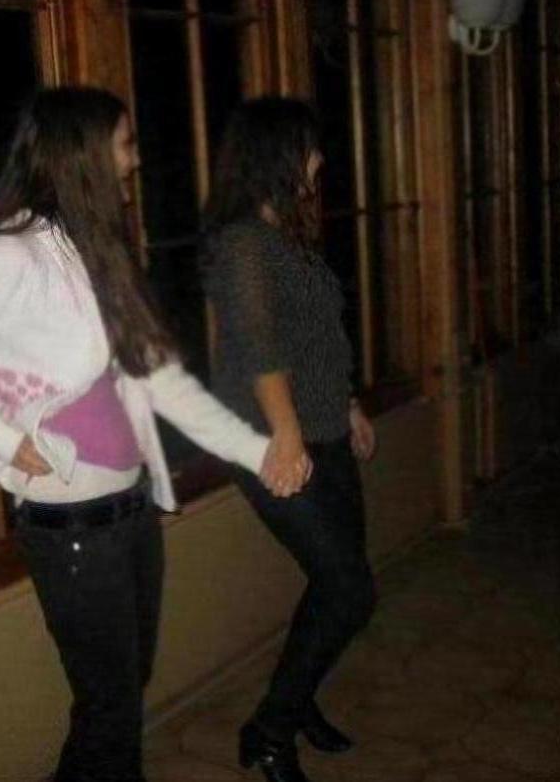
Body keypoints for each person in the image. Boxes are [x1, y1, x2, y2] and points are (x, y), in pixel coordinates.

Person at [0, 87, 304, 782]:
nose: (135, 161)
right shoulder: (12, 257)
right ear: (84, 155)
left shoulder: (95, 254)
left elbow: (164, 382)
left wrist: (260, 453)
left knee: (117, 696)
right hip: (72, 526)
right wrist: (0, 436)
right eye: (126, 144)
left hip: (130, 511)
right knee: (111, 706)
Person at [200, 97, 378, 782]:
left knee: (338, 581)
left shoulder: (287, 236)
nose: (319, 160)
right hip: (273, 441)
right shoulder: (243, 243)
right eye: (309, 148)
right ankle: (269, 732)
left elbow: (318, 338)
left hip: (322, 430)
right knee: (350, 590)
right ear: (277, 156)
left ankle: (295, 704)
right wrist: (287, 437)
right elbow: (259, 350)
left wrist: (350, 405)